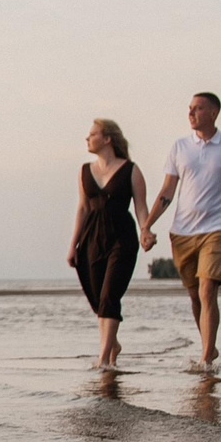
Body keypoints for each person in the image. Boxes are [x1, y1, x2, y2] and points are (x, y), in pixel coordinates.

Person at [144, 92, 221, 368]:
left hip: (217, 229)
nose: (191, 113)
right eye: (190, 108)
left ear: (214, 113)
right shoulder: (180, 147)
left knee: (208, 290)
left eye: (198, 108)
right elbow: (167, 190)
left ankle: (205, 358)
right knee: (195, 294)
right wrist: (147, 225)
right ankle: (210, 345)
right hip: (182, 232)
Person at [66, 117, 156, 369]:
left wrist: (145, 231)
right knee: (97, 298)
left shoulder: (131, 170)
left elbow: (140, 207)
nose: (87, 138)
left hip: (122, 237)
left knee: (109, 296)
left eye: (92, 134)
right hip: (91, 239)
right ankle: (112, 343)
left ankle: (104, 358)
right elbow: (82, 208)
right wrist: (73, 245)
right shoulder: (84, 171)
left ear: (107, 139)